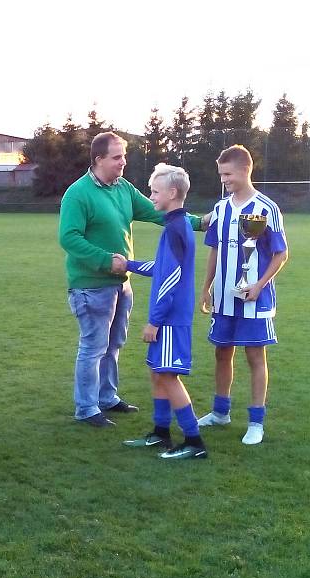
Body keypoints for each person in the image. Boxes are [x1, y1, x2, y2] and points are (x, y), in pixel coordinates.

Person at [58, 132, 206, 428]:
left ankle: (107, 397)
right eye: (117, 157)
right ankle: (86, 408)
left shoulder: (123, 188)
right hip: (91, 286)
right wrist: (104, 260)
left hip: (121, 284)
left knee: (114, 345)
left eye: (123, 156)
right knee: (93, 347)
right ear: (99, 159)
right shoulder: (78, 193)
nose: (123, 162)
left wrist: (198, 222)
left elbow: (160, 212)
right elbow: (69, 238)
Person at [198, 145, 288, 445]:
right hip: (224, 298)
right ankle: (220, 412)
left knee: (255, 356)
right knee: (221, 352)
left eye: (228, 174)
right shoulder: (221, 209)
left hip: (254, 298)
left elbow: (281, 254)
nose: (223, 180)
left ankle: (255, 422)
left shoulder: (267, 208)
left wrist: (259, 285)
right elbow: (214, 250)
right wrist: (207, 286)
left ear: (244, 171)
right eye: (221, 174)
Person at [119, 164, 207, 459]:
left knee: (169, 377)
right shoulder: (176, 225)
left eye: (155, 191)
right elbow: (162, 269)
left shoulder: (175, 229)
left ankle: (194, 442)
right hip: (170, 317)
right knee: (158, 373)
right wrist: (129, 265)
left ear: (172, 193)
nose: (151, 196)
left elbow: (170, 280)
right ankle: (160, 433)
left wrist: (154, 322)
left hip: (170, 320)